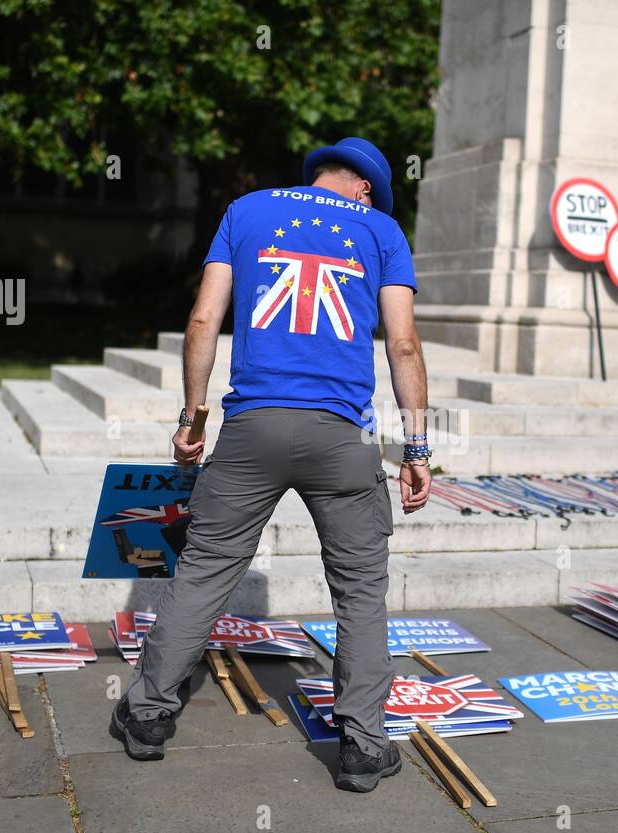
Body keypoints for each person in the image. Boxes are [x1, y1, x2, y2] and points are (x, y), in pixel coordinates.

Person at [110, 136, 432, 793]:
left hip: (251, 428)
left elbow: (203, 322)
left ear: (319, 176)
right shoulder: (381, 229)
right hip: (342, 437)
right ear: (365, 188)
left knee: (203, 569)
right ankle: (364, 747)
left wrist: (192, 418)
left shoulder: (246, 210)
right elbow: (402, 342)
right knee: (362, 588)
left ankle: (146, 716)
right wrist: (418, 448)